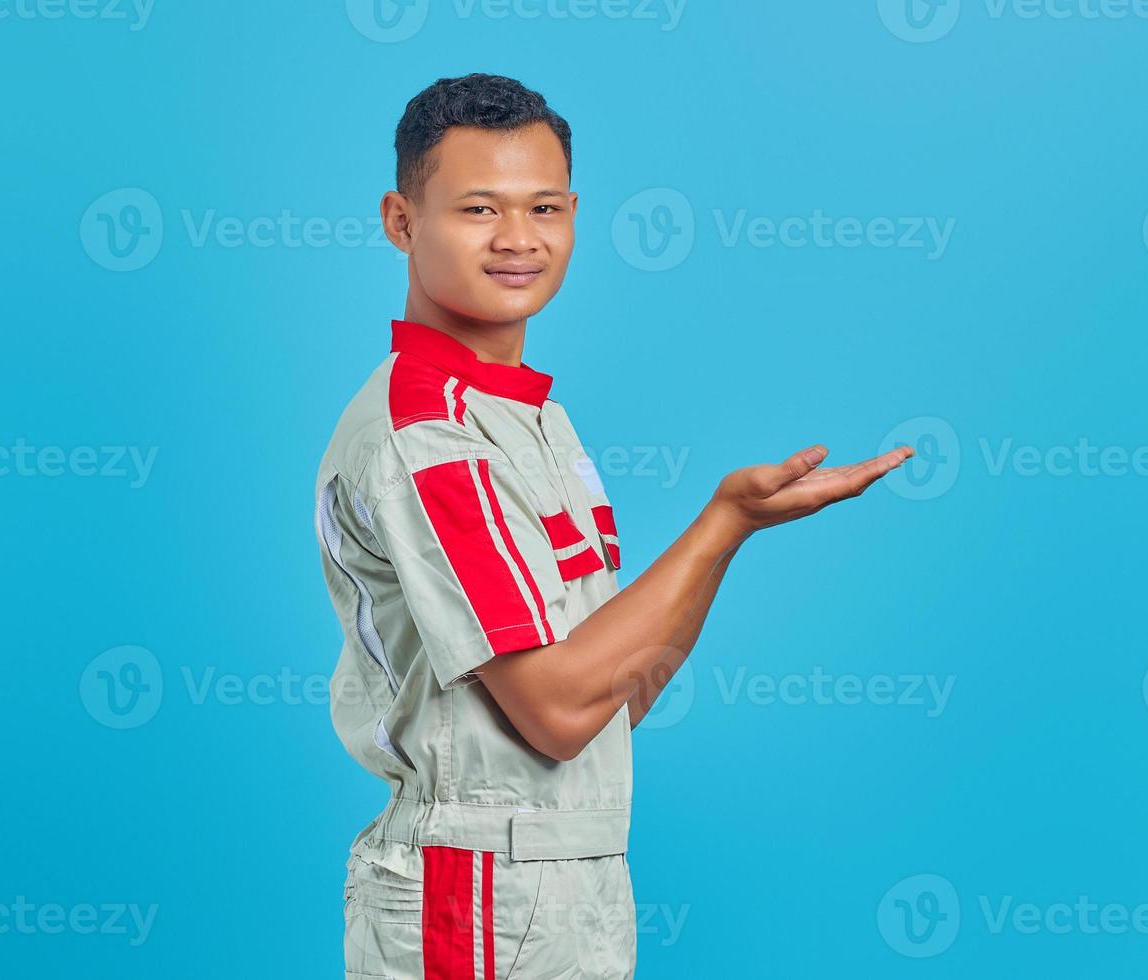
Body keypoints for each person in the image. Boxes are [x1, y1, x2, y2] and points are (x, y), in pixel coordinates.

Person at [312, 72, 913, 980]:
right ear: (401, 220)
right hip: (479, 887)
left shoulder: (530, 419)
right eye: (479, 209)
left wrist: (735, 532)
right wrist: (721, 523)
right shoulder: (426, 434)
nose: (519, 239)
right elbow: (554, 713)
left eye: (543, 206)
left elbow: (613, 704)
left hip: (570, 880)